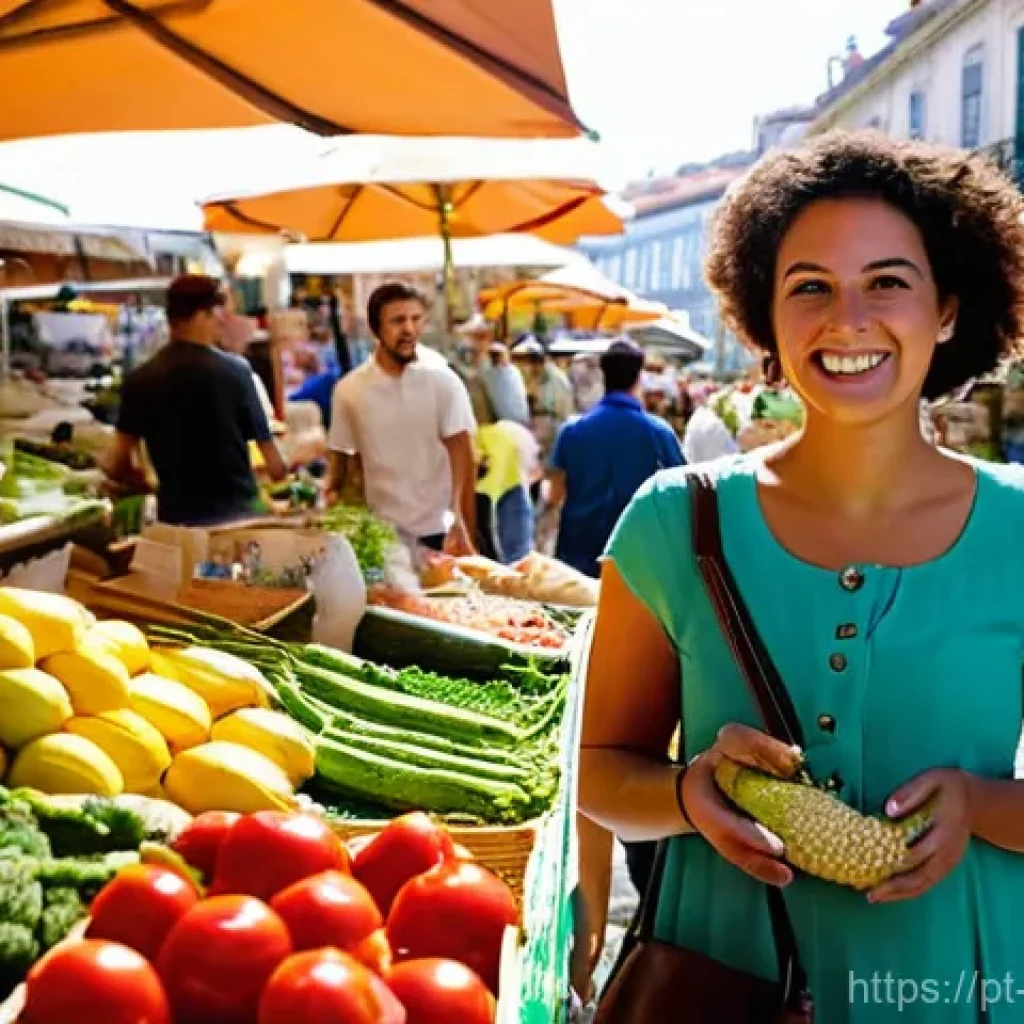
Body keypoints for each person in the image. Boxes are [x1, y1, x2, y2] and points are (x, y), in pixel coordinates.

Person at [579, 131, 1024, 1024]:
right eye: (809, 287)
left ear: (946, 310)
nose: (847, 319)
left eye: (888, 282)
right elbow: (591, 770)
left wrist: (979, 805)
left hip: (952, 976)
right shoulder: (676, 520)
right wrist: (684, 792)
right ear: (765, 321)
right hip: (721, 976)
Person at [104, 274, 287, 526]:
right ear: (201, 315)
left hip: (178, 523)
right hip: (239, 519)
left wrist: (144, 483)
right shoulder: (236, 372)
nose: (220, 321)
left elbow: (115, 464)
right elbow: (275, 464)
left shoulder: (141, 379)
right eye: (216, 313)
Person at [327, 282, 477, 555]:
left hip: (439, 532)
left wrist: (463, 522)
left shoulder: (443, 380)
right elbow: (346, 465)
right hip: (382, 535)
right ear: (376, 329)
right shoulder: (350, 391)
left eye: (416, 319)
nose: (409, 329)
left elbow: (465, 453)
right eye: (398, 321)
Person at [546, 337, 685, 580]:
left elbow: (554, 496)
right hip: (637, 558)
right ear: (638, 378)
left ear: (604, 376)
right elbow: (682, 494)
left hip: (577, 556)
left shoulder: (572, 430)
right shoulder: (658, 432)